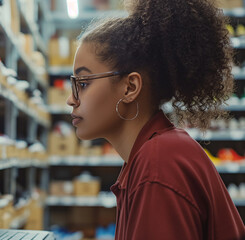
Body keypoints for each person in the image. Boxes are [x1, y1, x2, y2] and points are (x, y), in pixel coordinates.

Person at [66, 0, 245, 239]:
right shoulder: (150, 156)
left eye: (84, 83)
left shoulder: (157, 166)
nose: (70, 99)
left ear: (130, 87)